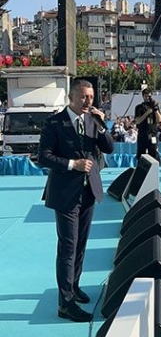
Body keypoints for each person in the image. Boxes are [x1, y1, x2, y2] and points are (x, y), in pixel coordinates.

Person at [38, 79, 115, 322]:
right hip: (64, 193)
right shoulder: (54, 123)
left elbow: (110, 148)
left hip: (88, 191)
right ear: (71, 97)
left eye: (91, 97)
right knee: (68, 247)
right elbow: (44, 157)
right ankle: (65, 303)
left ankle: (74, 286)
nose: (88, 102)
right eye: (83, 97)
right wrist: (73, 164)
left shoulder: (93, 121)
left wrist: (102, 125)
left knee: (80, 244)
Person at [134, 88, 161, 162]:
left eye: (149, 96)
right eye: (146, 96)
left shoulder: (154, 107)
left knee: (153, 154)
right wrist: (147, 112)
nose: (148, 98)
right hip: (143, 134)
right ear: (143, 96)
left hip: (152, 134)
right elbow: (138, 121)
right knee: (141, 155)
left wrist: (155, 109)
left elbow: (159, 120)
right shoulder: (139, 107)